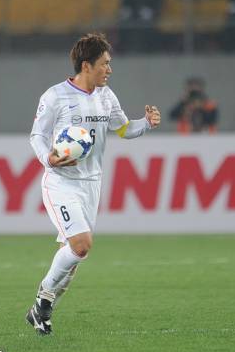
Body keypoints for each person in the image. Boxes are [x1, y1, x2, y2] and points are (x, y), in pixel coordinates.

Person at [26, 33, 161, 335]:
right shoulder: (55, 96)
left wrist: (146, 124)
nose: (109, 70)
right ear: (86, 66)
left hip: (92, 184)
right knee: (81, 246)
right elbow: (37, 136)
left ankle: (41, 311)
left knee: (72, 261)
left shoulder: (106, 96)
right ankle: (43, 300)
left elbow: (124, 129)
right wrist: (49, 159)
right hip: (61, 182)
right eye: (105, 64)